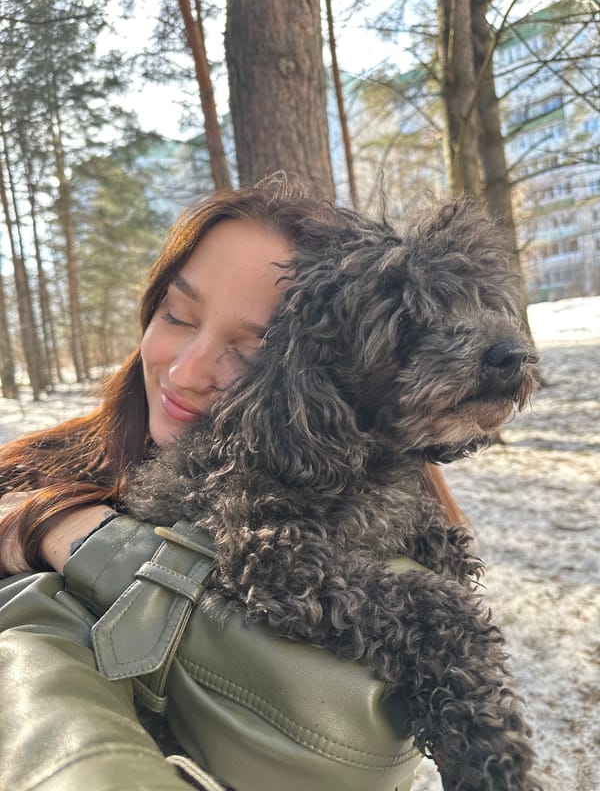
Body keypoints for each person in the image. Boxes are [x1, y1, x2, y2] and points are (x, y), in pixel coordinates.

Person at [0, 177, 465, 791]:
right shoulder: (43, 464)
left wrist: (74, 536)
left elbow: (339, 747)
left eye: (259, 351)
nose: (187, 373)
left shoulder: (381, 541)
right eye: (178, 314)